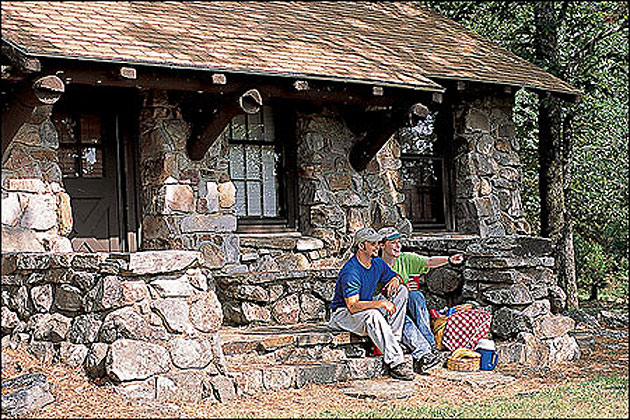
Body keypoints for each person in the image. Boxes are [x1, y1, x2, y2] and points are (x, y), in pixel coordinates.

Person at [328, 227, 415, 381]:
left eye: (378, 243)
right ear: (362, 246)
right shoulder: (351, 271)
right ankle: (397, 363)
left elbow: (395, 276)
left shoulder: (377, 263)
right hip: (343, 315)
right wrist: (380, 303)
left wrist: (395, 279)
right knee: (373, 314)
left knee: (401, 291)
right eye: (373, 244)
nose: (377, 246)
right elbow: (352, 306)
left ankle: (394, 341)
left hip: (363, 310)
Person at [377, 226, 465, 372]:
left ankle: (431, 344)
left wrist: (449, 259)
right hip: (386, 309)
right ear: (381, 245)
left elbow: (429, 261)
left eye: (399, 241)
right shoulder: (375, 265)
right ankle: (423, 353)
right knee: (403, 317)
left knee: (416, 296)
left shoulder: (405, 259)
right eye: (393, 242)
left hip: (404, 304)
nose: (398, 245)